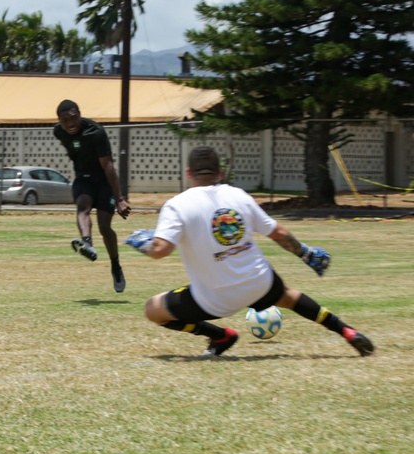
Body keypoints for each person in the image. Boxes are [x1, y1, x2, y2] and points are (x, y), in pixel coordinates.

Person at [124, 145, 374, 357]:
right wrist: (305, 253)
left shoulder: (177, 205)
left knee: (153, 309)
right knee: (288, 297)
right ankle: (345, 330)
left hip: (213, 300)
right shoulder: (238, 195)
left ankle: (220, 336)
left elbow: (160, 250)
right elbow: (279, 233)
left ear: (188, 173)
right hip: (259, 283)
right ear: (219, 172)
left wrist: (143, 243)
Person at [53, 99, 131, 292]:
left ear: (80, 114)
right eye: (65, 120)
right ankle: (87, 244)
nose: (70, 124)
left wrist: (120, 198)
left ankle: (116, 266)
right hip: (84, 179)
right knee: (82, 206)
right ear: (59, 121)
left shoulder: (95, 132)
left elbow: (108, 166)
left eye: (74, 118)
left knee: (105, 226)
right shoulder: (58, 132)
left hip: (104, 182)